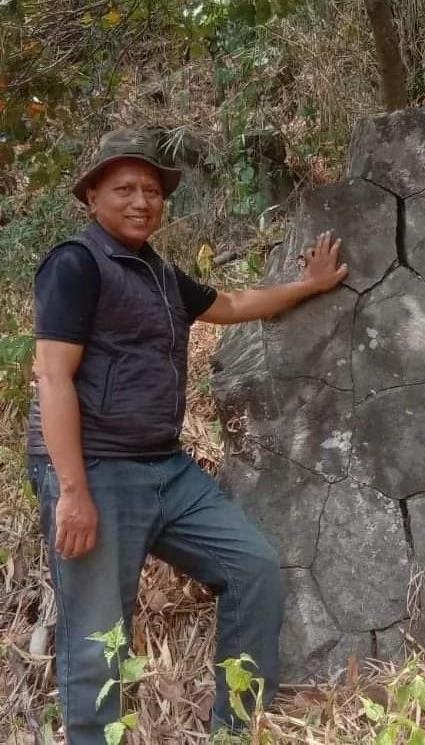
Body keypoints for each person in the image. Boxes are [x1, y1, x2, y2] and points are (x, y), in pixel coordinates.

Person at [25, 128, 348, 744]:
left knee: (252, 567)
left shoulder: (159, 273)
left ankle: (236, 731)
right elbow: (51, 375)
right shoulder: (76, 264)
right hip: (95, 467)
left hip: (165, 469)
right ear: (91, 198)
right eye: (123, 189)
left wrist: (309, 285)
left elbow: (229, 302)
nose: (141, 201)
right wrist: (72, 489)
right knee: (98, 636)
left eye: (152, 190)